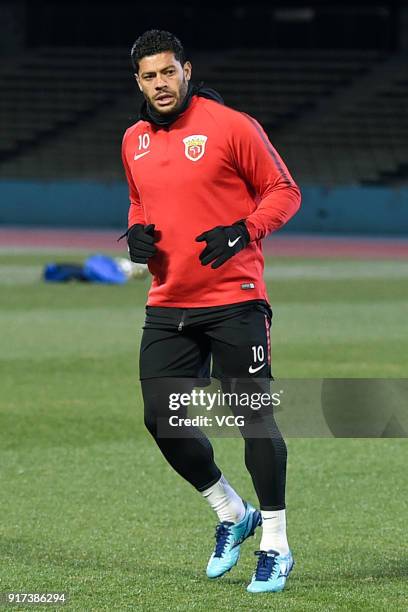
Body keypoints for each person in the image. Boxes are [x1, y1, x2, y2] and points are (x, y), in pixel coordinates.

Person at [121, 29, 301, 594]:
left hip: (234, 299)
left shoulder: (232, 125)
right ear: (139, 82)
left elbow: (284, 189)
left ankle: (276, 543)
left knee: (252, 416)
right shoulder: (133, 139)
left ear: (186, 71)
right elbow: (139, 201)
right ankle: (230, 511)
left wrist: (244, 229)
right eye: (150, 76)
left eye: (168, 72)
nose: (160, 83)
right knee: (161, 418)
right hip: (167, 302)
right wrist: (135, 235)